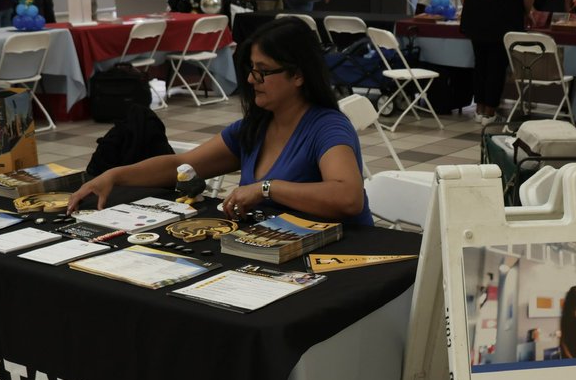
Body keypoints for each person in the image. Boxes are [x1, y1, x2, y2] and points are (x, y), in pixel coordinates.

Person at [68, 19, 371, 225]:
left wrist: (266, 189)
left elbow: (348, 198)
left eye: (263, 71)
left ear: (298, 75)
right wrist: (115, 175)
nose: (251, 79)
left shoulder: (328, 127)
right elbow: (182, 166)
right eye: (251, 69)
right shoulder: (255, 128)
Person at [457, 0, 534, 124]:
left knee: (480, 64)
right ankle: (490, 112)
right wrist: (527, 13)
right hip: (504, 21)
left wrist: (471, 7)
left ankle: (479, 110)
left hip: (475, 20)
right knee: (496, 66)